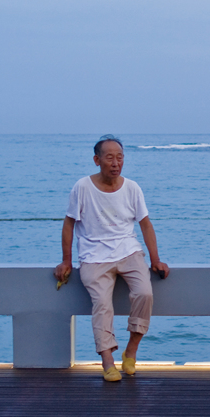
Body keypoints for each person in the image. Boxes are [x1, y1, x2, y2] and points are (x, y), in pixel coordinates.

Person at [54, 135, 171, 382]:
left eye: (120, 157)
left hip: (128, 252)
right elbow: (69, 224)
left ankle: (131, 351)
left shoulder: (132, 188)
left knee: (144, 294)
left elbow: (146, 224)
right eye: (109, 157)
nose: (115, 163)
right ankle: (107, 362)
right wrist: (66, 261)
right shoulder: (82, 187)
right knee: (102, 305)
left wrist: (156, 259)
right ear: (97, 160)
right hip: (93, 257)